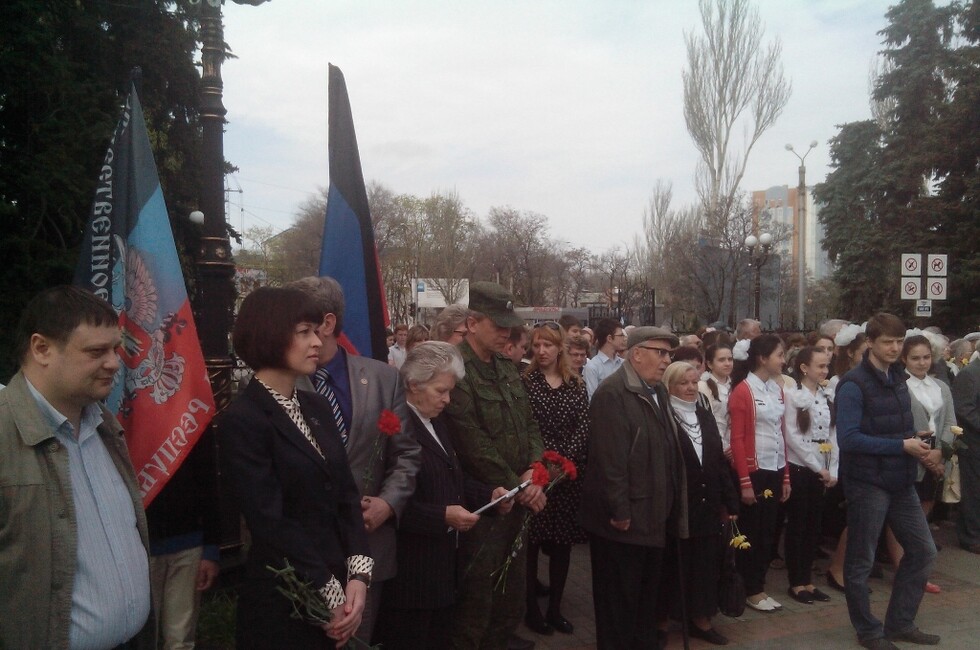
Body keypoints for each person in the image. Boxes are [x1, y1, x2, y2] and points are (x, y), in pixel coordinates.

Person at [0, 285, 154, 649]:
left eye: (115, 349)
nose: (115, 362)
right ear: (42, 349)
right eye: (96, 351)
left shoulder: (105, 427)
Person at [217, 287, 372, 649]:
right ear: (270, 334)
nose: (317, 341)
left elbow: (347, 495)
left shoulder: (316, 406)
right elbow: (270, 520)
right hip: (283, 600)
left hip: (339, 586)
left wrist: (358, 578)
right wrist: (329, 594)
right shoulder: (244, 419)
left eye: (317, 331)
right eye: (304, 332)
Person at [288, 275, 421, 643]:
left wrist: (388, 503)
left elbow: (406, 453)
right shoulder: (282, 383)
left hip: (368, 547)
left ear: (327, 324)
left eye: (298, 322)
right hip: (306, 556)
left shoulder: (382, 378)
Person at [376, 342, 513, 650]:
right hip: (412, 576)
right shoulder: (395, 427)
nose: (447, 400)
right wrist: (442, 516)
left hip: (442, 571)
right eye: (441, 391)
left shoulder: (436, 421)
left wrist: (490, 496)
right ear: (413, 385)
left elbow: (454, 479)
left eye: (449, 391)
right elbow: (389, 504)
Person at [442, 281, 547, 650]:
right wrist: (519, 485)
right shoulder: (455, 368)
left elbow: (529, 423)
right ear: (472, 323)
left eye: (509, 324)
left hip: (517, 500)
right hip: (484, 505)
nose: (507, 332)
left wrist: (535, 471)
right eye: (498, 324)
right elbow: (471, 442)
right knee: (476, 602)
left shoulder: (506, 366)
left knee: (511, 598)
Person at [579, 326, 687, 650]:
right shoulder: (613, 393)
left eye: (669, 354)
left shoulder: (658, 391)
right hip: (623, 525)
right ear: (637, 353)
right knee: (618, 605)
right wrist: (620, 511)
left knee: (644, 601)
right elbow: (608, 461)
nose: (667, 360)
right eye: (661, 353)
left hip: (652, 517)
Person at [837, 313, 940, 649]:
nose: (895, 348)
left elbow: (889, 427)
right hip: (867, 483)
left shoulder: (897, 376)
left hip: (899, 479)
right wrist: (901, 444)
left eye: (899, 341)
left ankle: (899, 622)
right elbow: (849, 439)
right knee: (861, 561)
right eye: (888, 342)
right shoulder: (853, 383)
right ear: (870, 343)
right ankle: (868, 631)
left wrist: (914, 438)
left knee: (924, 551)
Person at [661, 361, 739, 646]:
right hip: (678, 505)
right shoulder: (664, 416)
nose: (691, 388)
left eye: (694, 382)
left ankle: (701, 619)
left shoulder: (704, 415)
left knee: (705, 565)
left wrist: (730, 502)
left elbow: (718, 460)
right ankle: (663, 620)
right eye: (684, 383)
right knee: (673, 564)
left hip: (708, 504)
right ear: (670, 386)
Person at [521, 322, 590, 636]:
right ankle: (531, 609)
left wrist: (565, 463)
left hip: (567, 477)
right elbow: (523, 428)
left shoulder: (576, 383)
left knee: (562, 546)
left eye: (547, 345)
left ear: (559, 347)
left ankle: (555, 609)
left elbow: (583, 426)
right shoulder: (525, 382)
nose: (541, 351)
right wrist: (541, 466)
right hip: (535, 475)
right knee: (531, 544)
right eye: (536, 345)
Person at [728, 333, 791, 613]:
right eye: (779, 355)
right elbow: (737, 439)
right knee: (753, 531)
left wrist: (786, 475)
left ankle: (758, 585)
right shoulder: (743, 390)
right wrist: (744, 481)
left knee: (768, 532)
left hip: (774, 468)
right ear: (762, 358)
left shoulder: (776, 389)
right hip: (755, 471)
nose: (784, 360)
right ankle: (749, 588)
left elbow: (781, 434)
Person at [147, 426, 221, 650]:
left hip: (188, 542)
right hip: (139, 546)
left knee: (180, 639)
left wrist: (210, 548)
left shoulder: (190, 411)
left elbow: (209, 478)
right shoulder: (123, 406)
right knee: (140, 638)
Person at [783, 347, 838, 605]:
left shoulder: (827, 396)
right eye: (819, 366)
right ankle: (796, 581)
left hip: (823, 465)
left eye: (827, 367)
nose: (824, 371)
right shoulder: (794, 396)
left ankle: (808, 579)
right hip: (801, 466)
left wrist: (833, 469)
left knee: (814, 526)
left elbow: (832, 434)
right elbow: (793, 436)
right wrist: (817, 467)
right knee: (798, 524)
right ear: (804, 368)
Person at [953, 343, 980, 554]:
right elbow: (964, 409)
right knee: (973, 491)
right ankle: (971, 537)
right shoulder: (970, 374)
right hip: (973, 443)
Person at [699, 343, 735, 455]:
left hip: (735, 444)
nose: (727, 363)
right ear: (710, 364)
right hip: (714, 447)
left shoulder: (736, 385)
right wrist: (722, 446)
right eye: (721, 360)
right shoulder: (703, 386)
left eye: (730, 359)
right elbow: (706, 421)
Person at [583, 317, 626, 398]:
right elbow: (592, 398)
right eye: (621, 335)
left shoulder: (624, 364)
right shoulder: (592, 367)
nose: (624, 339)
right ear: (609, 338)